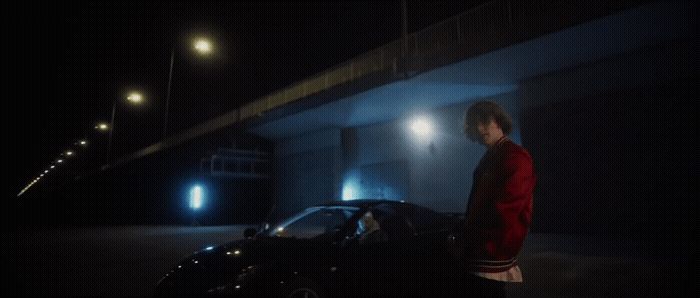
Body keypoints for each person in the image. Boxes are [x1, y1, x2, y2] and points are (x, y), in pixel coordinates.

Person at [458, 101, 536, 297]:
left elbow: (507, 208)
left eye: (485, 121)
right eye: (475, 124)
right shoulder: (495, 155)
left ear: (498, 120)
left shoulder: (514, 156)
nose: (480, 128)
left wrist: (471, 236)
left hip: (492, 248)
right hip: (484, 247)